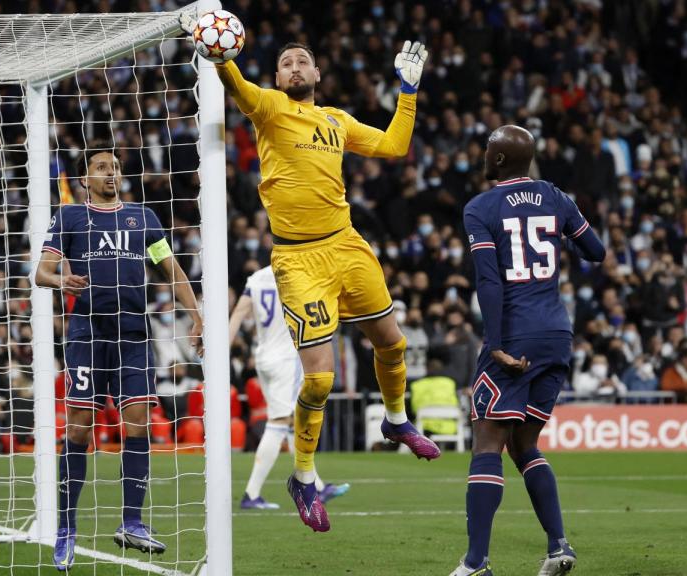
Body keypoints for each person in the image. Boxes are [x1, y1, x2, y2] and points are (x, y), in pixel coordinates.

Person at [181, 13, 439, 533]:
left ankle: (395, 421)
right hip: (298, 259)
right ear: (278, 79)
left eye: (302, 62)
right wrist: (219, 55)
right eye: (285, 63)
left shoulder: (337, 121)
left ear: (317, 74)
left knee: (392, 343)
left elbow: (393, 146)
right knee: (319, 379)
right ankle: (302, 476)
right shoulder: (270, 108)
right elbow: (238, 87)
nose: (294, 67)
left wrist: (407, 91)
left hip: (346, 245)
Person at [35, 148, 202, 570]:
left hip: (132, 335)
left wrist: (196, 315)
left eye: (116, 168)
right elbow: (40, 273)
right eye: (102, 168)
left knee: (139, 420)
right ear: (85, 178)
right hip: (87, 334)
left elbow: (170, 269)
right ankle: (65, 529)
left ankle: (132, 521)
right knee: (79, 427)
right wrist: (61, 280)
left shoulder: (144, 218)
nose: (112, 174)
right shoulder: (70, 218)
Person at [450, 125, 606, 576]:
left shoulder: (480, 207)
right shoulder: (555, 196)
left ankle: (476, 563)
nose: (482, 156)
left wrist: (496, 344)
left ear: (498, 161)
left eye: (487, 152)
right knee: (525, 444)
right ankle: (559, 547)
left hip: (514, 336)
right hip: (556, 335)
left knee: (487, 441)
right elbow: (595, 250)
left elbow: (489, 281)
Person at [228, 265, 350, 510]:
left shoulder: (257, 277)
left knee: (292, 420)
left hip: (263, 357)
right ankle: (251, 494)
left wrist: (222, 349)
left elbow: (239, 313)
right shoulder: (299, 273)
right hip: (286, 357)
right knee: (280, 422)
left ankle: (317, 485)